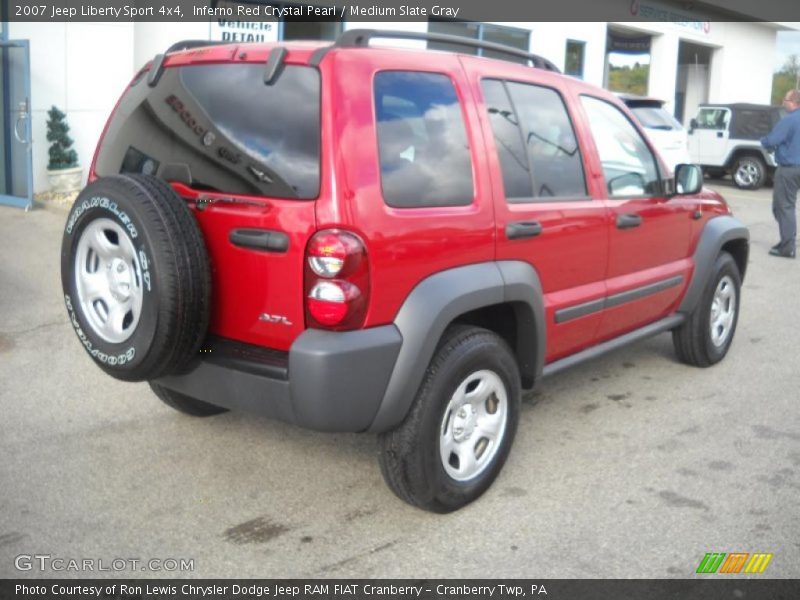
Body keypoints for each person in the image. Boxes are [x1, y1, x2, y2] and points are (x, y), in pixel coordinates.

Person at [761, 89, 800, 259]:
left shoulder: (789, 120)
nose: (783, 103)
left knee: (783, 207)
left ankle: (787, 247)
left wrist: (763, 141)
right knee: (786, 206)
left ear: (793, 102)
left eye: (785, 100)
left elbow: (771, 140)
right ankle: (787, 239)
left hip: (789, 169)